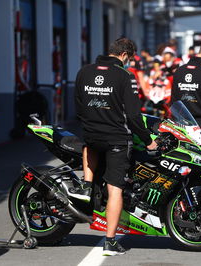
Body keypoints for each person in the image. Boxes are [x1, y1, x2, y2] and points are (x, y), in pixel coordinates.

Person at [74, 38, 157, 256]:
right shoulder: (125, 76)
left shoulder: (84, 71)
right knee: (115, 188)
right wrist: (148, 140)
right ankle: (109, 241)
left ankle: (86, 185)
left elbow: (78, 104)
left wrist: (90, 123)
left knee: (89, 145)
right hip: (116, 139)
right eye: (129, 59)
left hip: (91, 136)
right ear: (125, 56)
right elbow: (133, 115)